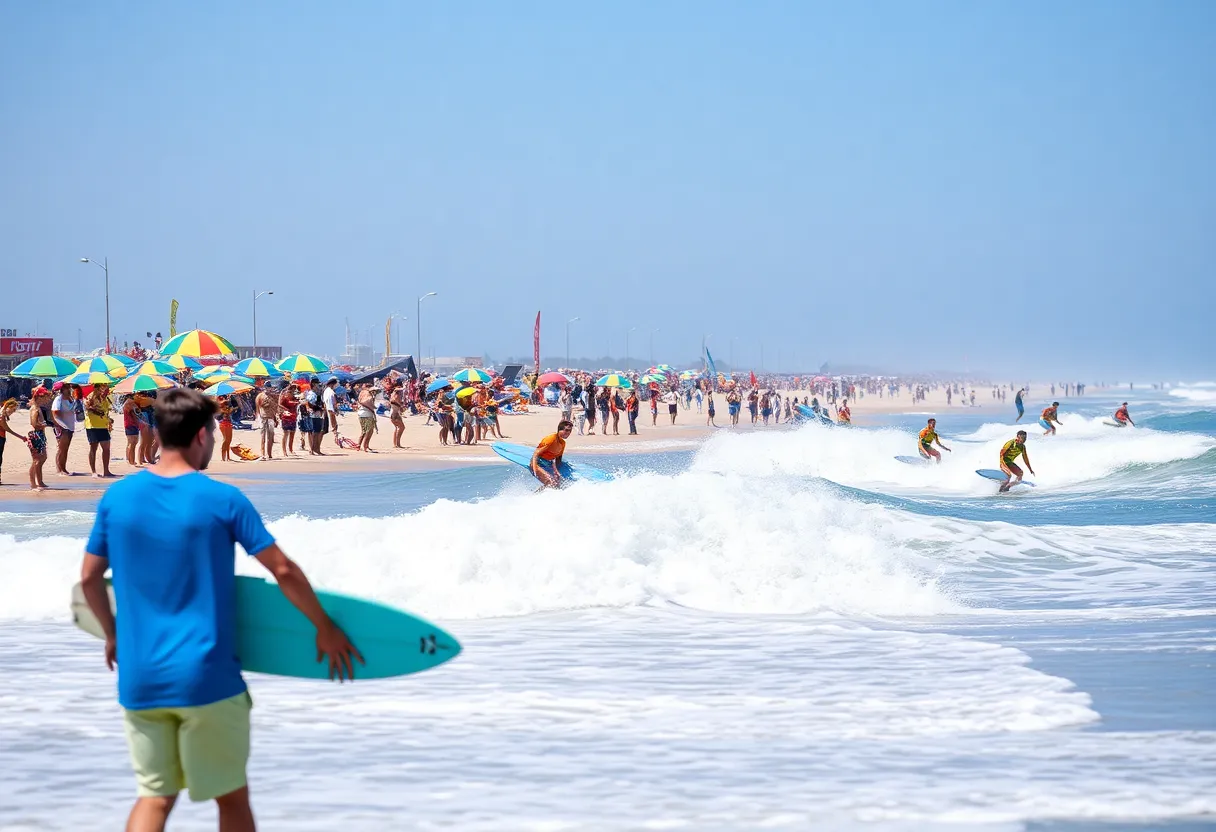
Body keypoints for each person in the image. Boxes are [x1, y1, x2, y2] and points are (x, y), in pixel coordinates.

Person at [79, 387, 360, 832]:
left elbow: (89, 579)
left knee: (154, 797)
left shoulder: (119, 497)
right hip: (206, 674)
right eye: (211, 432)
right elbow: (282, 569)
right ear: (200, 436)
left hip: (141, 674)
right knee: (230, 798)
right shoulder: (221, 498)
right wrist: (324, 627)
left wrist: (113, 634)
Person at [84, 382, 116, 478]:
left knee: (106, 448)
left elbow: (105, 412)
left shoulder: (105, 399)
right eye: (103, 388)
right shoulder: (91, 396)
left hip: (103, 425)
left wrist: (109, 419)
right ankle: (93, 471)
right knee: (93, 448)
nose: (106, 390)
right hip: (92, 425)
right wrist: (97, 412)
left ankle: (106, 471)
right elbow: (87, 408)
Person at [530, 419, 574, 489]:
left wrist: (556, 471)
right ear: (559, 430)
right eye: (566, 430)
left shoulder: (563, 443)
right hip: (537, 463)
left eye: (570, 431)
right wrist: (535, 468)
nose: (568, 433)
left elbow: (556, 459)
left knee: (558, 484)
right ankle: (533, 495)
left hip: (547, 465)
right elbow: (536, 454)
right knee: (551, 482)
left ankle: (543, 494)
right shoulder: (551, 438)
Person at [27, 387, 51, 490]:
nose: (47, 400)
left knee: (42, 458)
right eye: (45, 397)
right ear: (39, 397)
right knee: (36, 460)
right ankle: (33, 483)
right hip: (35, 435)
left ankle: (40, 481)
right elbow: (33, 424)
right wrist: (43, 425)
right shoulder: (35, 408)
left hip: (40, 434)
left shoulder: (38, 407)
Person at [51, 383, 78, 476]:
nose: (69, 389)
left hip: (70, 426)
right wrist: (61, 423)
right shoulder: (59, 399)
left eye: (69, 387)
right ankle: (60, 469)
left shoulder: (71, 398)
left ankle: (64, 468)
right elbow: (55, 412)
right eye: (67, 387)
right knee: (61, 448)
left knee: (66, 449)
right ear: (62, 389)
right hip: (62, 426)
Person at [0, 398, 26, 485]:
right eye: (13, 409)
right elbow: (7, 428)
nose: (13, 412)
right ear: (8, 406)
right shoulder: (2, 415)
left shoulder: (2, 413)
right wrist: (21, 437)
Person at [255, 386, 278, 460]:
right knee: (263, 437)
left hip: (271, 417)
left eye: (270, 388)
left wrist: (275, 418)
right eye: (267, 388)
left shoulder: (272, 396)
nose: (269, 389)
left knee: (270, 437)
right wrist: (258, 417)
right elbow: (259, 407)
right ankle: (263, 454)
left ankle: (269, 453)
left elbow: (275, 408)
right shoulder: (260, 396)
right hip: (263, 418)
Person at [279, 385, 298, 456]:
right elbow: (279, 404)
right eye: (291, 391)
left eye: (294, 391)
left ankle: (291, 449)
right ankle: (284, 451)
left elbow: (297, 405)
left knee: (292, 433)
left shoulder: (295, 398)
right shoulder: (284, 397)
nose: (293, 392)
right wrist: (286, 409)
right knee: (285, 433)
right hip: (286, 417)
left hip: (293, 417)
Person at [323, 378, 340, 445]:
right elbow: (333, 402)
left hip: (328, 409)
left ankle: (335, 436)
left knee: (332, 424)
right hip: (330, 409)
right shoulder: (330, 392)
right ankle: (336, 437)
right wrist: (335, 410)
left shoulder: (326, 391)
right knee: (334, 424)